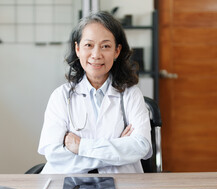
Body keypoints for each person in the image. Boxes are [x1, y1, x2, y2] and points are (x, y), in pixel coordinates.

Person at [38, 11, 152, 174]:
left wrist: (81, 147)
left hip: (123, 186)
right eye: (88, 45)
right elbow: (54, 153)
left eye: (105, 46)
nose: (96, 55)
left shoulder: (131, 95)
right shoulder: (61, 96)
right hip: (67, 185)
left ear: (117, 51)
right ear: (77, 49)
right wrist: (117, 148)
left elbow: (141, 146)